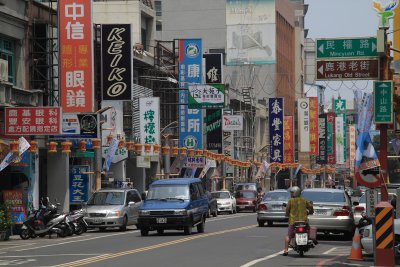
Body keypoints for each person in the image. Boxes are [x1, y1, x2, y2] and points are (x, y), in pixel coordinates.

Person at [283, 186, 313, 256]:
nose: (291, 194)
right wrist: (310, 211)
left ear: (295, 193)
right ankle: (313, 240)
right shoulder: (304, 200)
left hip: (293, 222)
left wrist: (287, 215)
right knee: (310, 231)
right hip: (304, 222)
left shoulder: (290, 201)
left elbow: (287, 210)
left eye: (292, 193)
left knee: (288, 236)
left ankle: (286, 250)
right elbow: (310, 207)